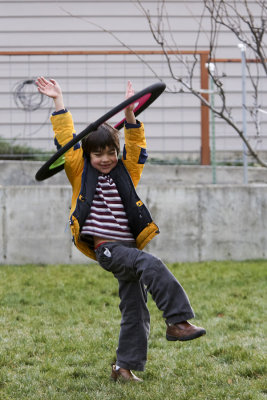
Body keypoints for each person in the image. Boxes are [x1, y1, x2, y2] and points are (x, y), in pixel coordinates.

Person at [36, 76, 206, 383]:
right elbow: (67, 141)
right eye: (97, 154)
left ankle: (122, 368)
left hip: (128, 249)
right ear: (87, 156)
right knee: (151, 263)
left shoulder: (127, 172)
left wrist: (130, 114)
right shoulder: (79, 172)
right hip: (108, 249)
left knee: (135, 309)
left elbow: (136, 145)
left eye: (110, 153)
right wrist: (58, 101)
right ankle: (177, 321)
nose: (105, 159)